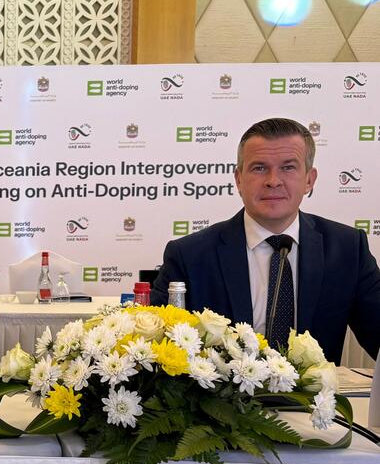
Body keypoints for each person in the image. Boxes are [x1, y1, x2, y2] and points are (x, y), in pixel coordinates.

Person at [152, 117, 380, 364]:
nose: (273, 180)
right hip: (223, 400)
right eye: (259, 168)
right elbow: (156, 350)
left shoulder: (347, 249)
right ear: (239, 179)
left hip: (314, 401)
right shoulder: (189, 255)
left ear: (309, 180)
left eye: (288, 167)